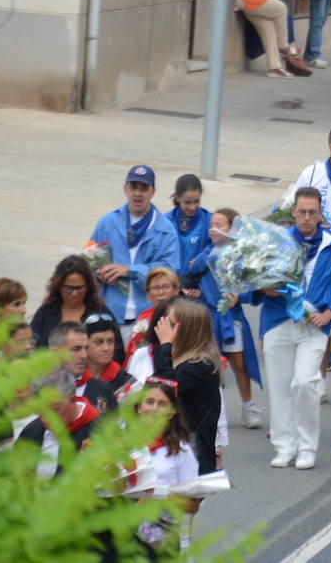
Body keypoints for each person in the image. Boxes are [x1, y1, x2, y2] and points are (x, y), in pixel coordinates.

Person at [253, 187, 331, 470]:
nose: (307, 217)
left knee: (305, 383)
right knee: (280, 385)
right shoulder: (276, 242)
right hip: (278, 320)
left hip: (313, 325)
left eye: (312, 212)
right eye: (302, 212)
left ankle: (307, 446)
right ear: (293, 212)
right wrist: (265, 288)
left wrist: (330, 313)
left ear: (320, 214)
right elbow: (256, 281)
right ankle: (285, 446)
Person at [183, 207, 262, 428]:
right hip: (208, 318)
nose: (214, 229)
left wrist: (239, 296)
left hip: (232, 316)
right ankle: (214, 410)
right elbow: (190, 275)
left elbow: (254, 288)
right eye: (211, 226)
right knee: (211, 365)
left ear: (233, 230)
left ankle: (248, 406)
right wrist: (190, 291)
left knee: (239, 362)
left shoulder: (241, 256)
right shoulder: (205, 254)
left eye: (220, 225)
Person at [90, 165, 181, 342]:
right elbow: (89, 262)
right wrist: (99, 273)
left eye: (144, 188)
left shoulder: (165, 229)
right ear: (125, 188)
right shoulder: (107, 223)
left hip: (150, 319)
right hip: (110, 318)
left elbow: (170, 271)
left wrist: (130, 271)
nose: (138, 194)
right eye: (133, 187)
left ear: (153, 191)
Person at [152, 298, 223, 473]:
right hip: (176, 445)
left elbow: (165, 387)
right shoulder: (180, 359)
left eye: (170, 324)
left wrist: (165, 345)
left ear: (185, 330)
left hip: (191, 450)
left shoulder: (201, 365)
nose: (163, 328)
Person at [131, 379, 202, 551]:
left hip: (162, 542)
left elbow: (192, 505)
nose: (154, 409)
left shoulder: (181, 450)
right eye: (149, 402)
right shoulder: (123, 444)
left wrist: (157, 495)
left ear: (171, 413)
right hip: (121, 537)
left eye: (162, 404)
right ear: (139, 407)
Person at [18, 368, 100, 478]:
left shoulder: (100, 431)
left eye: (54, 410)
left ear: (72, 400)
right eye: (40, 411)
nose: (46, 419)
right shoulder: (30, 432)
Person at [30, 256, 120, 354]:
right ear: (58, 287)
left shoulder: (101, 313)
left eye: (80, 288)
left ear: (88, 287)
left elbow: (117, 352)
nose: (74, 294)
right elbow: (32, 346)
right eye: (69, 288)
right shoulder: (45, 312)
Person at [48, 321, 117, 414]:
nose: (84, 356)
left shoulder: (102, 389)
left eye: (86, 348)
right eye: (76, 349)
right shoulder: (39, 388)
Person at [82, 312, 137, 398]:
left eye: (110, 341)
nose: (106, 348)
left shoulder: (129, 384)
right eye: (98, 342)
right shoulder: (72, 376)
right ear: (84, 343)